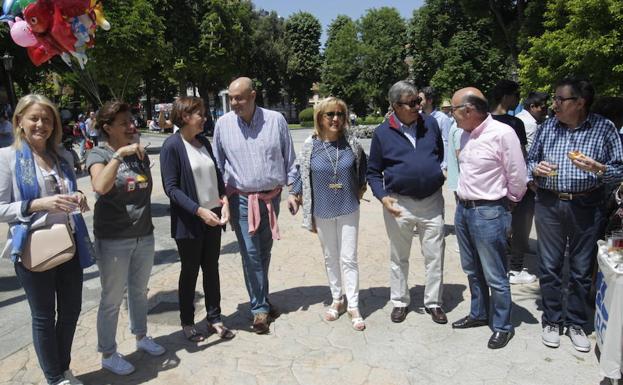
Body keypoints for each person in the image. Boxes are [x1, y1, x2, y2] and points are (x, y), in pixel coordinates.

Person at [527, 77, 623, 352]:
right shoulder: (547, 127)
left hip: (587, 205)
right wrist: (536, 169)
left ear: (579, 103)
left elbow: (620, 168)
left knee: (581, 269)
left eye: (559, 99)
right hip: (549, 203)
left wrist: (600, 169)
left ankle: (577, 323)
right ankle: (552, 321)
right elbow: (530, 159)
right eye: (554, 99)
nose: (553, 104)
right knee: (549, 266)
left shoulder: (603, 128)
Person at [0, 94, 90, 385]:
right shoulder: (7, 158)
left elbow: (69, 192)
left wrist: (79, 196)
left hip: (69, 242)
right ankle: (54, 378)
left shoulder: (61, 156)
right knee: (43, 316)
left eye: (47, 119)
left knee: (71, 310)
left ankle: (63, 369)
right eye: (34, 118)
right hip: (32, 247)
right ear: (19, 121)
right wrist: (38, 204)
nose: (42, 124)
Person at [212, 77, 299, 334]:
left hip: (271, 199)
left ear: (253, 96)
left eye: (239, 97)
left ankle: (262, 299)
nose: (234, 103)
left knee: (263, 252)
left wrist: (294, 192)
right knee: (250, 254)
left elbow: (290, 159)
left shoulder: (276, 120)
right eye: (231, 98)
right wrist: (222, 198)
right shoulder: (223, 124)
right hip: (241, 199)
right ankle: (259, 309)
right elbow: (218, 165)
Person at [86, 102, 164, 376]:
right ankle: (108, 353)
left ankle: (141, 337)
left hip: (144, 234)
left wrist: (134, 150)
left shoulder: (138, 153)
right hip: (114, 239)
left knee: (139, 291)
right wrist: (118, 154)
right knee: (112, 298)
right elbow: (100, 186)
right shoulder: (98, 154)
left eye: (132, 120)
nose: (132, 126)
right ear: (107, 128)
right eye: (124, 123)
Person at [450, 87, 527, 349]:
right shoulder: (464, 135)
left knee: (495, 273)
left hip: (490, 212)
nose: (452, 116)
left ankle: (502, 326)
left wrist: (510, 204)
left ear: (469, 110)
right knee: (471, 269)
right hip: (463, 210)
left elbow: (517, 175)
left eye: (454, 110)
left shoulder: (503, 134)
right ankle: (479, 313)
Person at [367, 80, 447, 325]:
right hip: (399, 204)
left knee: (435, 255)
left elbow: (439, 154)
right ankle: (400, 301)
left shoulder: (430, 124)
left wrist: (432, 174)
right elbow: (373, 172)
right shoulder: (382, 133)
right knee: (399, 256)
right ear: (395, 106)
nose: (417, 107)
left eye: (418, 101)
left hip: (432, 202)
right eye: (411, 103)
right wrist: (383, 197)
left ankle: (434, 302)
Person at [290, 97, 368, 331]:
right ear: (320, 118)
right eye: (330, 114)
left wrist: (361, 187)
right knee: (330, 257)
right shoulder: (310, 145)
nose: (336, 119)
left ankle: (353, 304)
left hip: (348, 208)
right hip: (322, 209)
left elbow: (363, 167)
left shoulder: (351, 143)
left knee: (348, 258)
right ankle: (337, 298)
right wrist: (294, 194)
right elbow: (300, 173)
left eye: (340, 114)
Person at [160, 96, 234, 342]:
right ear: (184, 116)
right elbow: (171, 188)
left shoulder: (204, 142)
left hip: (213, 216)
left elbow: (217, 174)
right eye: (199, 113)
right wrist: (198, 210)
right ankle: (188, 322)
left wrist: (224, 200)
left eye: (203, 113)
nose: (204, 118)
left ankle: (215, 318)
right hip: (190, 221)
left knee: (211, 270)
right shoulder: (172, 145)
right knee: (190, 271)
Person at [489, 80, 536, 285]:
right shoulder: (515, 123)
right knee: (519, 225)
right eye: (516, 96)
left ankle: (499, 267)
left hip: (492, 184)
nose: (517, 100)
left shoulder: (483, 121)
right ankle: (516, 268)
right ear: (507, 96)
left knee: (497, 228)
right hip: (512, 183)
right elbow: (521, 157)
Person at [419, 86, 454, 170]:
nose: (418, 102)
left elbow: (446, 142)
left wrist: (444, 164)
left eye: (420, 100)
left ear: (430, 101)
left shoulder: (442, 118)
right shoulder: (417, 117)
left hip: (436, 164)